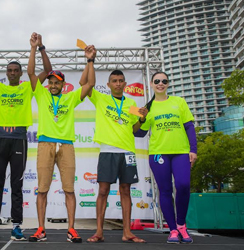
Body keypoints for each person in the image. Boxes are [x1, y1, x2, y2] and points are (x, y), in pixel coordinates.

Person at [0, 34, 52, 242]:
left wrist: (39, 47)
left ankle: (17, 226)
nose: (13, 73)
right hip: (0, 138)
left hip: (19, 138)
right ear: (6, 73)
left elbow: (47, 71)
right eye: (10, 71)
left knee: (17, 184)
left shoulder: (28, 87)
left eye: (16, 70)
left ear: (20, 73)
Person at [27, 33, 97, 243]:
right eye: (51, 81)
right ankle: (41, 229)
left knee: (69, 189)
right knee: (42, 190)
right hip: (45, 143)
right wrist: (33, 48)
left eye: (57, 82)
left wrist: (90, 60)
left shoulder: (71, 97)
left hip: (66, 145)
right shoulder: (41, 94)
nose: (53, 84)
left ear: (63, 84)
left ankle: (71, 229)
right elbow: (30, 72)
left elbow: (90, 83)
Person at [83, 70, 148, 243]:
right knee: (103, 191)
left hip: (127, 152)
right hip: (107, 151)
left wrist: (141, 120)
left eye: (120, 81)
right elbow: (84, 84)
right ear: (109, 85)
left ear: (125, 84)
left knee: (126, 191)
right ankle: (99, 232)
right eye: (114, 81)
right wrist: (90, 62)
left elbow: (134, 130)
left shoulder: (132, 104)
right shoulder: (101, 98)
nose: (118, 83)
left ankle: (127, 232)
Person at [138, 72, 197, 244]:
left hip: (180, 152)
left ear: (168, 84)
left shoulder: (179, 102)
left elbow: (189, 126)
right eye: (157, 81)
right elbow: (139, 133)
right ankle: (172, 229)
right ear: (151, 84)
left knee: (183, 185)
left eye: (164, 81)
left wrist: (193, 149)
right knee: (165, 191)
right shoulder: (148, 108)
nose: (161, 83)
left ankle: (181, 225)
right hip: (158, 153)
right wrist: (141, 119)